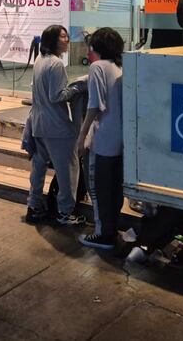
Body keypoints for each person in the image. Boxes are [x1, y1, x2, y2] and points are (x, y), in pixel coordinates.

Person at [24, 25, 85, 226]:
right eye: (62, 37)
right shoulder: (56, 64)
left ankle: (34, 206)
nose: (67, 40)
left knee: (39, 167)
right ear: (52, 40)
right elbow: (57, 96)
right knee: (68, 169)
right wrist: (78, 86)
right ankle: (65, 212)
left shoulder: (40, 60)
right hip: (57, 126)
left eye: (67, 36)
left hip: (38, 123)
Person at [77, 27, 124, 250]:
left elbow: (94, 105)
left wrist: (82, 135)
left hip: (103, 138)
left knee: (99, 188)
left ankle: (103, 234)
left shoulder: (98, 67)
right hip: (120, 139)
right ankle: (111, 229)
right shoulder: (119, 67)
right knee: (115, 188)